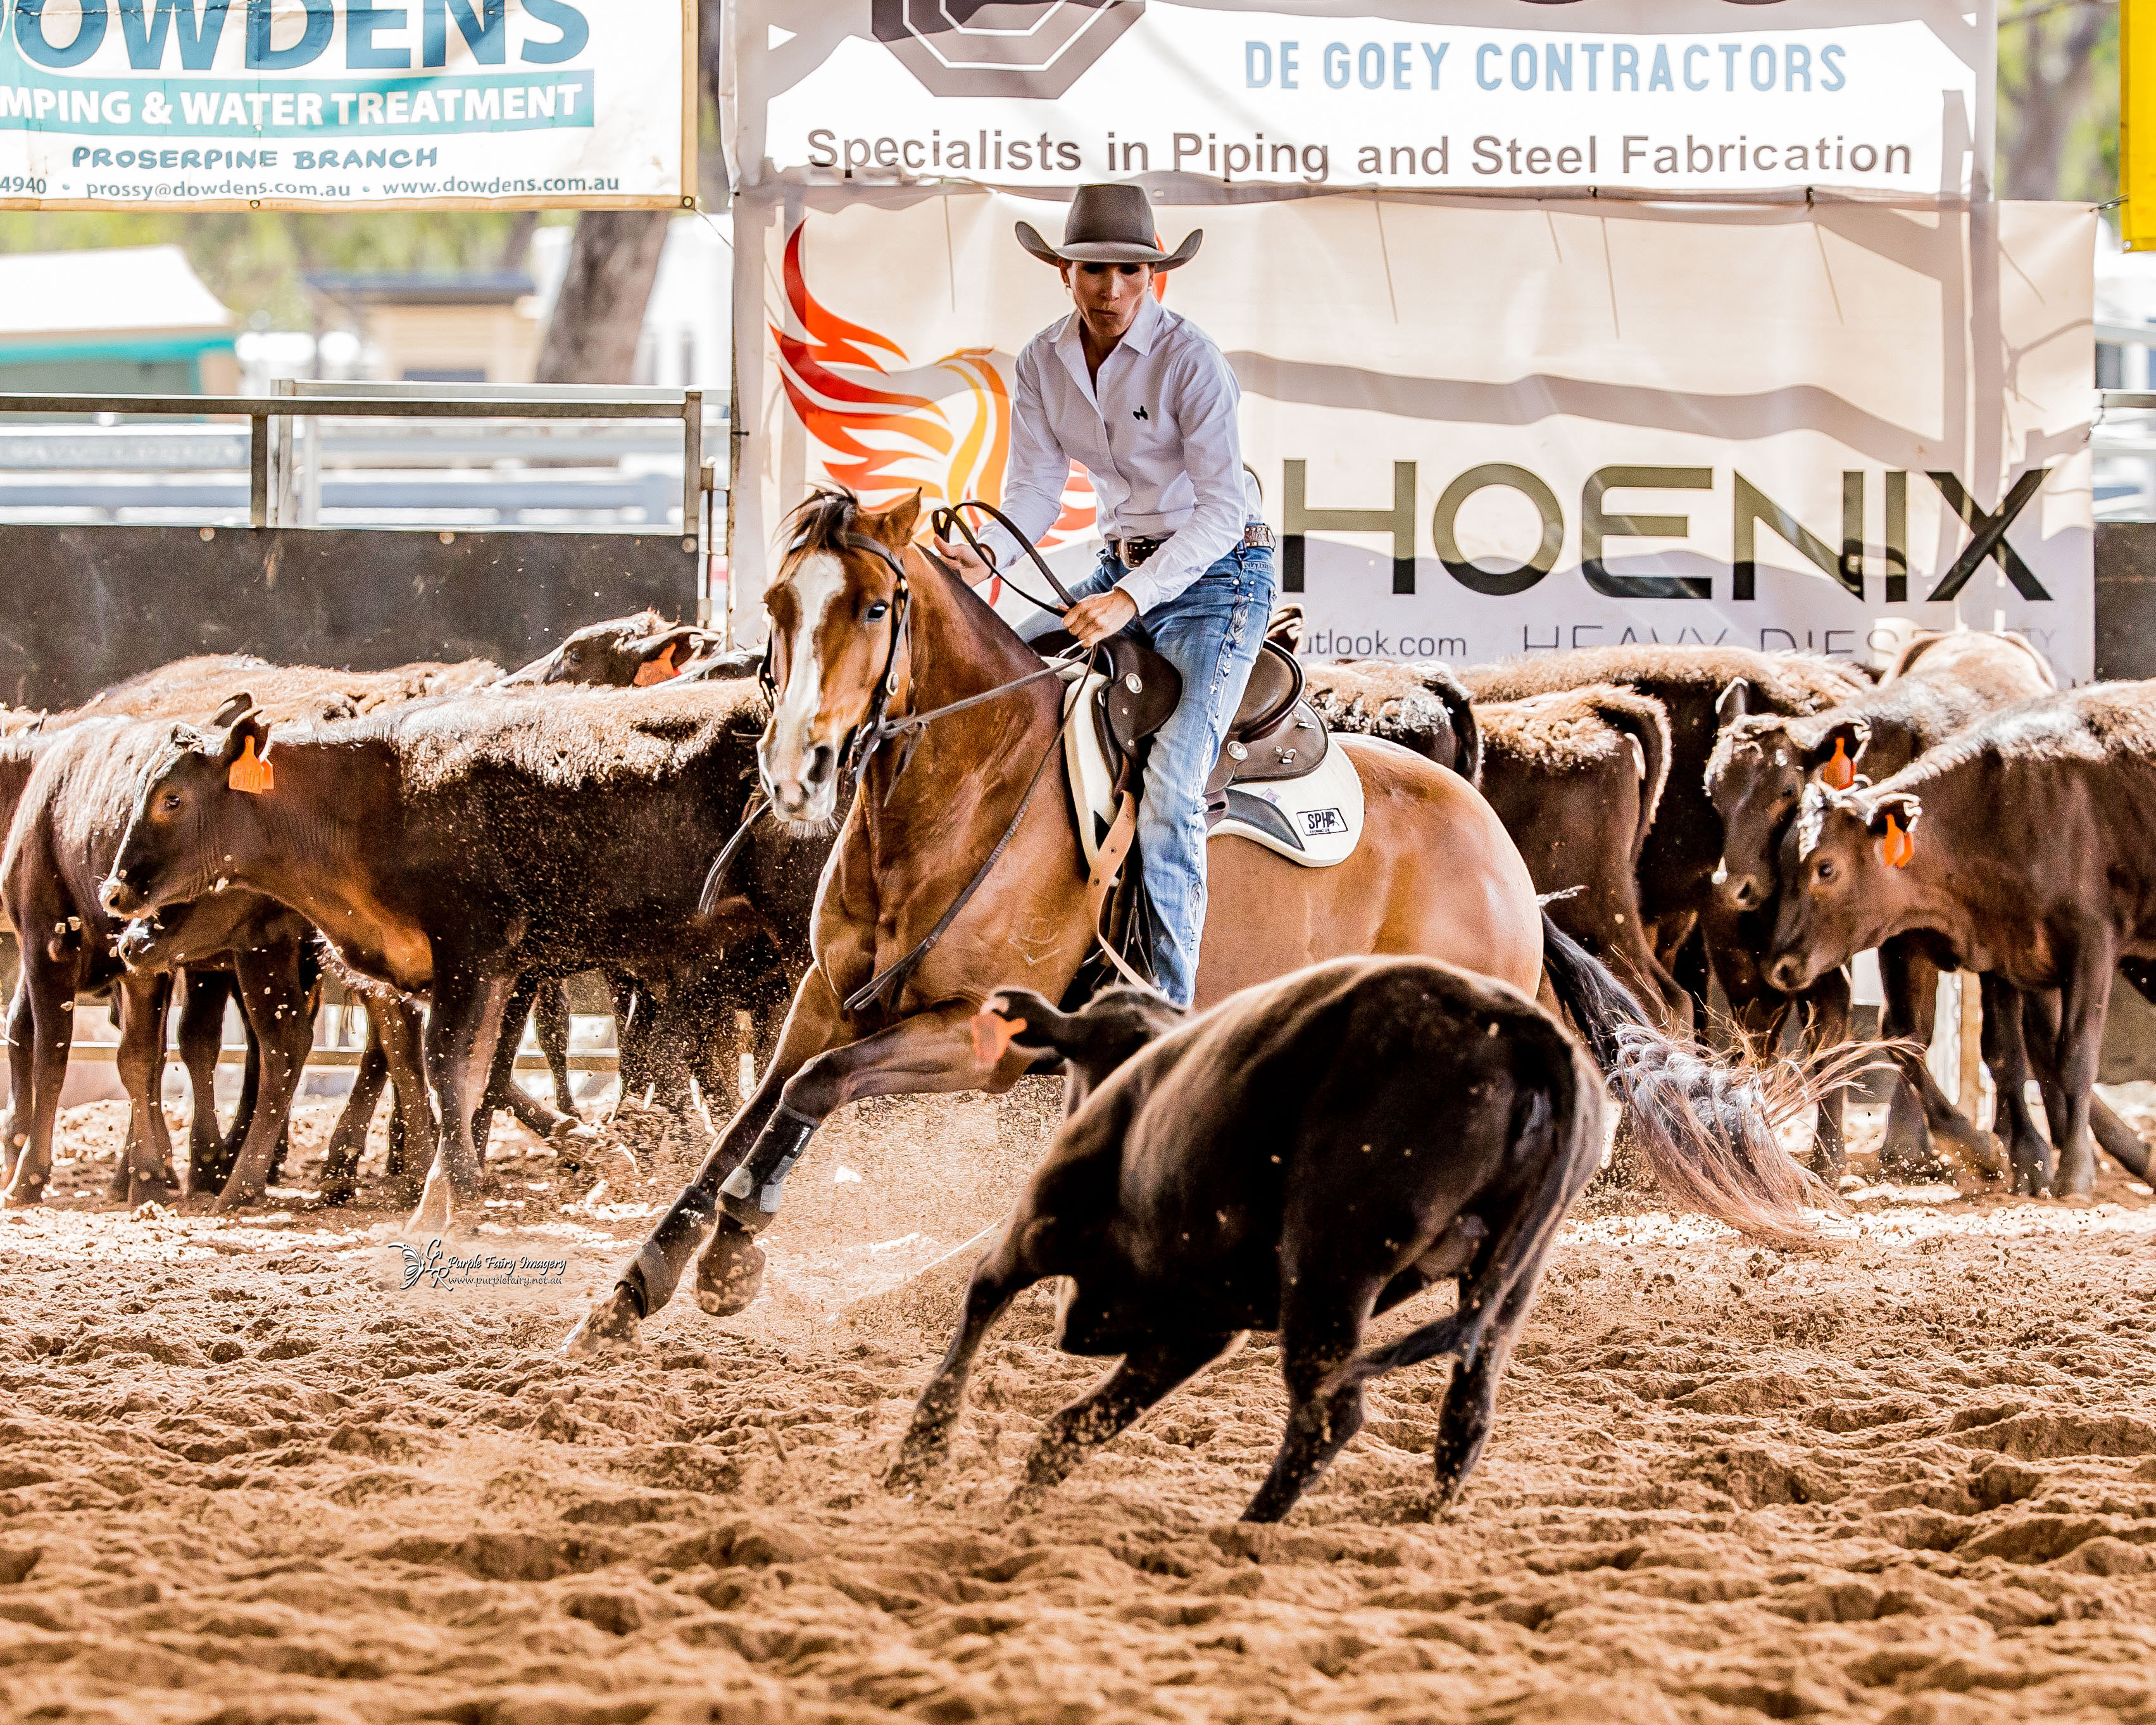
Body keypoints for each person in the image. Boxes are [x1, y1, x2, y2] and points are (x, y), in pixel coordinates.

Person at [936, 182, 1276, 1008]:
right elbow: (1033, 493)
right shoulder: (1040, 361)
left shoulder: (1192, 361)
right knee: (995, 692)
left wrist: (1128, 599)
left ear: (1155, 275)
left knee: (1171, 788)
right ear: (1064, 273)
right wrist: (980, 553)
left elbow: (1221, 510)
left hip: (1220, 577)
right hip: (1120, 568)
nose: (1112, 289)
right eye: (1094, 270)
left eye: (1130, 270)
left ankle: (1164, 1016)